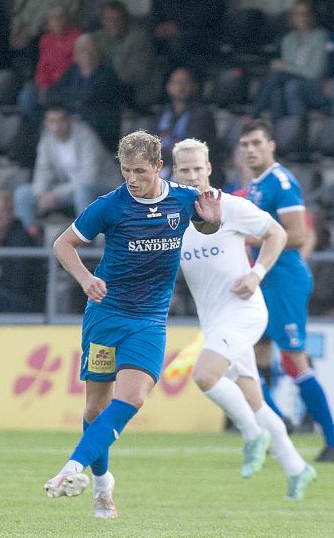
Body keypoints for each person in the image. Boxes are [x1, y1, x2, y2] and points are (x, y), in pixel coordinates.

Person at [44, 130, 222, 518]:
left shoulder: (184, 199)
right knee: (95, 408)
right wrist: (86, 278)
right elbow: (62, 244)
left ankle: (72, 467)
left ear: (159, 166)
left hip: (149, 319)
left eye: (140, 171)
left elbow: (207, 225)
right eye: (126, 171)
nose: (132, 179)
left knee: (134, 398)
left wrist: (212, 221)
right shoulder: (110, 205)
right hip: (106, 315)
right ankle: (102, 482)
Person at [172, 138, 317, 499]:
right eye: (184, 170)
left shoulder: (231, 206)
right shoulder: (172, 217)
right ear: (174, 173)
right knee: (254, 397)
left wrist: (256, 274)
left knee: (205, 375)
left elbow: (278, 233)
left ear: (209, 169)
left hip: (245, 311)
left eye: (197, 169)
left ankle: (253, 434)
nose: (192, 176)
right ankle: (298, 469)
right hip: (214, 320)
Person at [240, 119, 334, 462]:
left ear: (272, 145)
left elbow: (299, 234)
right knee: (251, 355)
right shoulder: (257, 186)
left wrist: (248, 239)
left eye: (257, 142)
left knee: (293, 359)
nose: (251, 149)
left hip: (284, 280)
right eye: (245, 144)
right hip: (265, 278)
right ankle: (279, 425)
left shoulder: (281, 182)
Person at [13, 103, 118, 233]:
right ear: (46, 122)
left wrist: (55, 195)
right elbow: (43, 170)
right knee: (23, 194)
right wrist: (41, 194)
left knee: (82, 191)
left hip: (103, 189)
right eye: (51, 121)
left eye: (60, 120)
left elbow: (89, 178)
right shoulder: (47, 139)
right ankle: (29, 237)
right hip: (68, 191)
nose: (56, 126)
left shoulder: (85, 135)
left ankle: (85, 244)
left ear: (69, 120)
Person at [250, 0, 330, 120]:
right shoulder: (288, 39)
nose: (302, 18)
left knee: (277, 76)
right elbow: (288, 68)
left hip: (314, 84)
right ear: (292, 17)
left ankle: (254, 113)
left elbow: (315, 73)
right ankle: (279, 131)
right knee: (278, 90)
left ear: (312, 16)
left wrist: (285, 67)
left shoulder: (321, 36)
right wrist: (285, 67)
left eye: (305, 14)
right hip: (290, 80)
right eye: (298, 14)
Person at [46, 34, 123, 151]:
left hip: (96, 131)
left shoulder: (107, 74)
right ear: (75, 55)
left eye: (91, 50)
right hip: (69, 123)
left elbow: (89, 95)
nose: (87, 54)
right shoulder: (72, 72)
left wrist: (68, 99)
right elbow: (52, 94)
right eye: (82, 50)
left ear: (98, 53)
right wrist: (74, 100)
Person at [155, 67, 218, 175]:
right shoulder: (162, 113)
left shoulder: (202, 114)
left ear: (194, 86)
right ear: (168, 87)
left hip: (191, 170)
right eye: (175, 82)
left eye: (185, 82)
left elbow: (192, 148)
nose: (180, 87)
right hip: (163, 166)